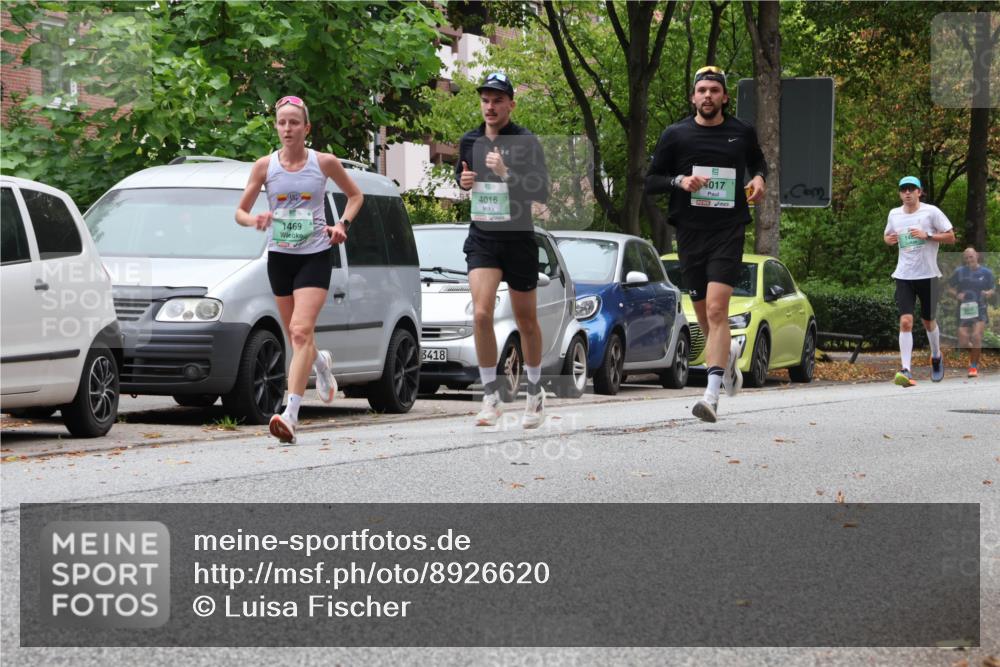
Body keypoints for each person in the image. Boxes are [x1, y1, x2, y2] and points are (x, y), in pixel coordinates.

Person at [235, 95, 363, 443]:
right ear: (276, 127)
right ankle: (321, 363)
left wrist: (343, 226)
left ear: (306, 128)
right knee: (298, 336)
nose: (287, 128)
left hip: (316, 254)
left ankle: (290, 415)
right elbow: (240, 212)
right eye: (282, 122)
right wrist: (255, 219)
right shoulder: (265, 167)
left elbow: (356, 196)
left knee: (300, 331)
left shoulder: (324, 163)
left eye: (294, 122)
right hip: (280, 257)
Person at [645, 65, 767, 423]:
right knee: (705, 318)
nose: (708, 96)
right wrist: (679, 181)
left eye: (715, 90)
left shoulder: (741, 132)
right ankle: (728, 351)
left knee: (716, 311)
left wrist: (758, 178)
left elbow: (759, 162)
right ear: (693, 97)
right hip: (690, 231)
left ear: (725, 97)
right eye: (702, 91)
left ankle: (711, 395)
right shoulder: (675, 135)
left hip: (728, 229)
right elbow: (650, 180)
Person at [455, 72, 550, 429]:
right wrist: (463, 182)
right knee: (481, 314)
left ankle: (535, 391)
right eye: (485, 100)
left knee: (526, 320)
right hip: (483, 237)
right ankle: (490, 396)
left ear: (511, 103)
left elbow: (541, 191)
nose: (490, 106)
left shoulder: (526, 141)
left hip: (518, 238)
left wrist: (508, 172)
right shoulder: (470, 140)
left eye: (497, 100)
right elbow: (462, 176)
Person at [883, 176, 955, 387]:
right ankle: (906, 369)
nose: (907, 193)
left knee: (928, 321)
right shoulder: (894, 214)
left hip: (928, 274)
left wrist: (928, 235)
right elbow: (886, 236)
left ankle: (936, 356)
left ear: (919, 192)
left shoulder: (931, 212)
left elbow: (951, 237)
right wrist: (890, 240)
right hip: (904, 275)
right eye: (903, 190)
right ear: (900, 193)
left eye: (911, 189)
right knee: (906, 321)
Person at [948, 246, 995, 377]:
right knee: (963, 342)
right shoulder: (959, 272)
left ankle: (973, 367)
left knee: (976, 336)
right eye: (966, 257)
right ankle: (976, 351)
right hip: (963, 310)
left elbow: (993, 289)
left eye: (971, 256)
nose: (969, 259)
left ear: (977, 256)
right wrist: (957, 294)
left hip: (980, 308)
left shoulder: (986, 272)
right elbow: (950, 288)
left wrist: (988, 293)